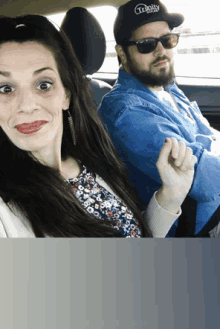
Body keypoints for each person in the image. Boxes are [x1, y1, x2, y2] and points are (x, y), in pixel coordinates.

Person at [0, 14, 196, 238]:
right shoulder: (5, 206)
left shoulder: (92, 160)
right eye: (5, 89)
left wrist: (171, 194)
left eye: (44, 85)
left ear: (66, 95)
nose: (26, 106)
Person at [99, 0, 220, 237]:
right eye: (146, 44)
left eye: (167, 40)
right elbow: (206, 181)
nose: (161, 51)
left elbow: (206, 134)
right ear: (122, 53)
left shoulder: (165, 86)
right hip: (198, 224)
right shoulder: (126, 112)